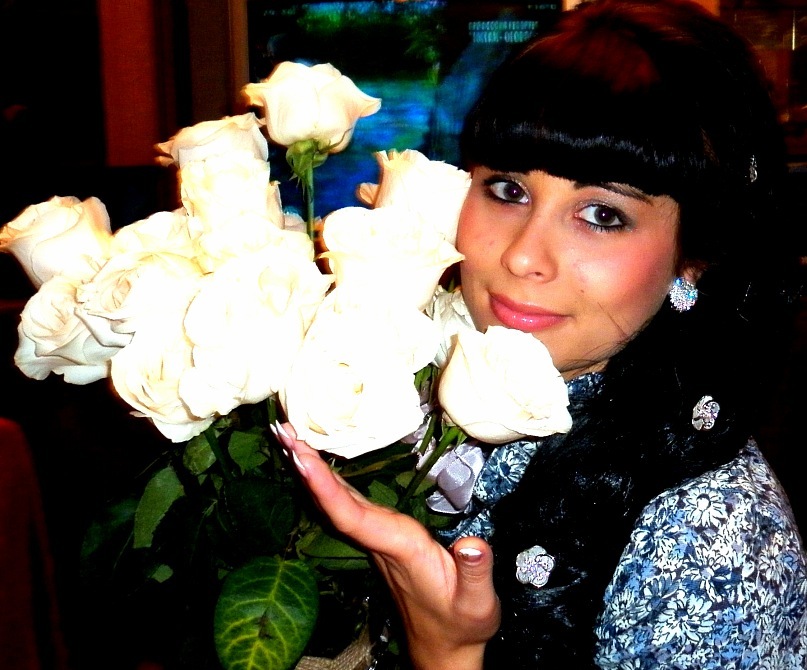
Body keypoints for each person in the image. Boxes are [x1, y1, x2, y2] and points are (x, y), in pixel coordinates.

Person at [275, 0, 807, 667]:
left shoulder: (708, 540)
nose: (523, 255)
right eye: (506, 189)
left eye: (601, 215)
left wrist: (446, 653)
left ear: (694, 256)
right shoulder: (401, 368)